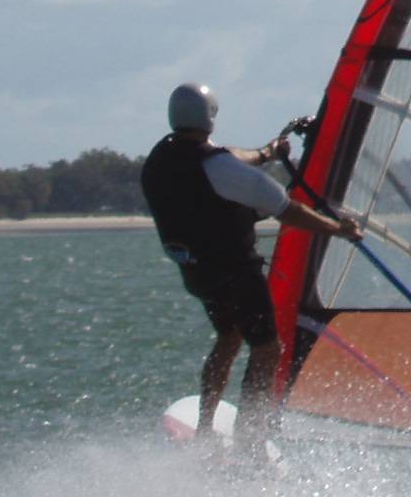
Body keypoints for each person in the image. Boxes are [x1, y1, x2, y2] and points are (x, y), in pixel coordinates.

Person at [141, 82, 361, 456]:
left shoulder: (160, 159)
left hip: (198, 274)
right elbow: (287, 210)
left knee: (229, 337)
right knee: (266, 350)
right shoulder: (220, 167)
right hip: (236, 273)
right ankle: (250, 441)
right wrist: (339, 229)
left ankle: (206, 428)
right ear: (210, 117)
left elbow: (225, 156)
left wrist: (267, 153)